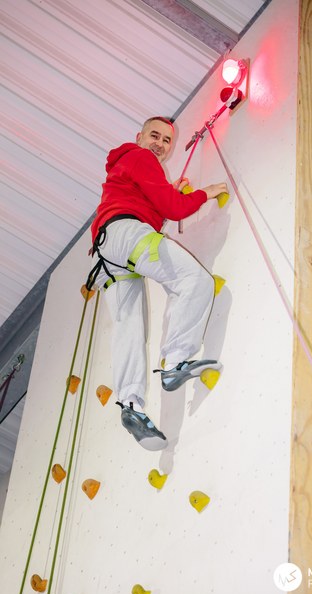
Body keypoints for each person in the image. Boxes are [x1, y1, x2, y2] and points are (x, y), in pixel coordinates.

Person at [88, 116, 228, 451]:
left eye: (167, 141)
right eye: (155, 135)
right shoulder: (140, 157)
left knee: (129, 327)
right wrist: (204, 194)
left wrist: (168, 193)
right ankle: (176, 360)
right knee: (195, 279)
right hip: (126, 234)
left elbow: (154, 204)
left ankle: (131, 405)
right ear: (139, 137)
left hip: (106, 255)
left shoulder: (124, 168)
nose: (160, 144)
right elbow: (174, 209)